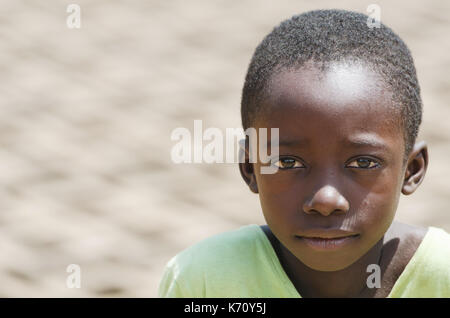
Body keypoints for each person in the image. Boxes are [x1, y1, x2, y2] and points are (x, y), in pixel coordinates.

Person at [158, 9, 450, 298]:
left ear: (411, 170)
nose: (325, 200)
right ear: (250, 168)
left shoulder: (442, 277)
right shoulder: (204, 281)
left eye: (363, 162)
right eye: (287, 162)